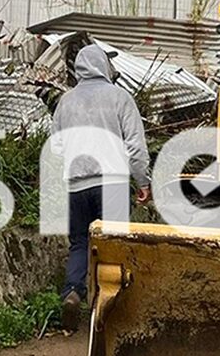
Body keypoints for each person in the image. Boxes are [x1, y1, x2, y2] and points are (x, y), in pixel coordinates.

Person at [50, 44, 150, 331]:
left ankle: (73, 292)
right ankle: (109, 311)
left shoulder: (66, 101)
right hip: (112, 185)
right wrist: (142, 181)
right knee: (113, 246)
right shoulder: (120, 98)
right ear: (105, 67)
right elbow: (135, 146)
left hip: (77, 186)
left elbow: (56, 145)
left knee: (80, 243)